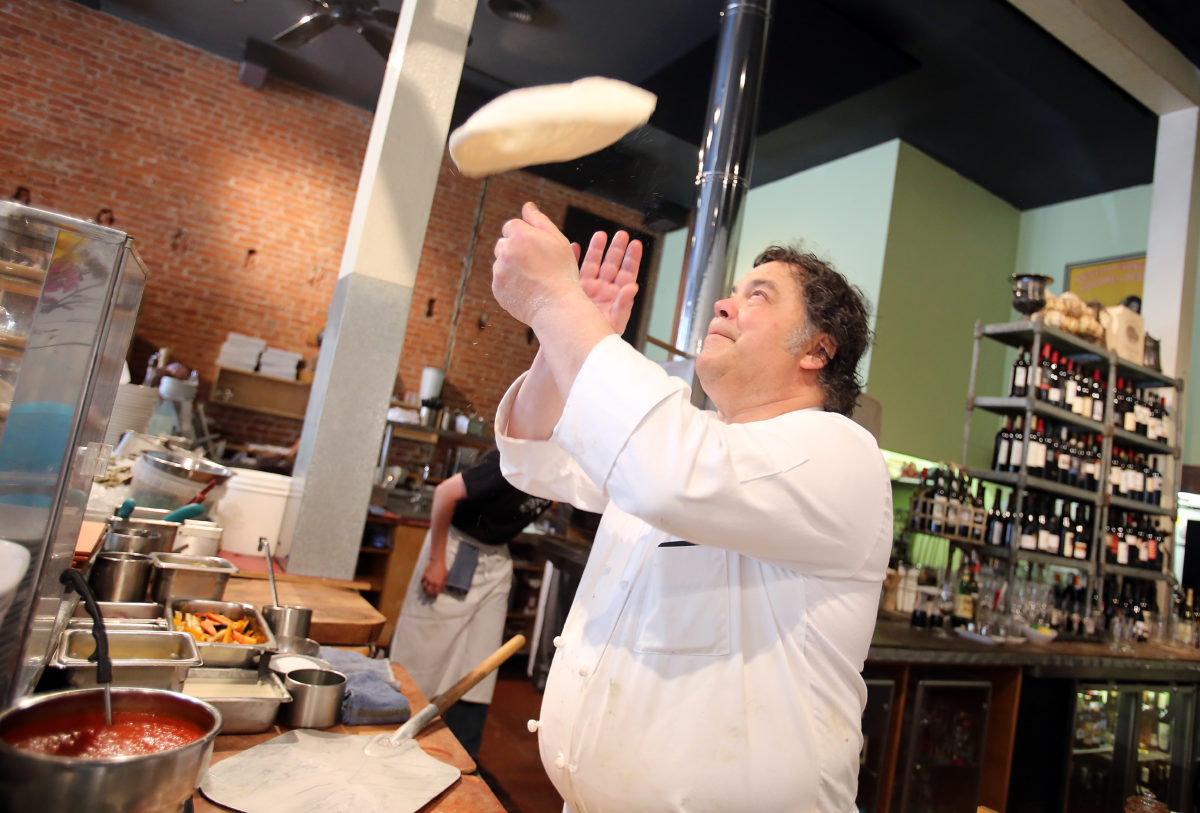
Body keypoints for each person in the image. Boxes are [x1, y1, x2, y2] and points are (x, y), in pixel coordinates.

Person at [487, 202, 892, 812]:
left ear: (816, 349)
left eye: (758, 296)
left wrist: (555, 302)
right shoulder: (692, 437)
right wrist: (562, 335)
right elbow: (534, 454)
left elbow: (665, 474)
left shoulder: (840, 453)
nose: (725, 305)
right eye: (731, 293)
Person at [389, 446, 552, 759]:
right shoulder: (515, 458)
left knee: (480, 665)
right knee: (423, 655)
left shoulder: (566, 473)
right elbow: (444, 493)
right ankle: (397, 739)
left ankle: (461, 757)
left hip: (495, 558)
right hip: (456, 550)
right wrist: (437, 560)